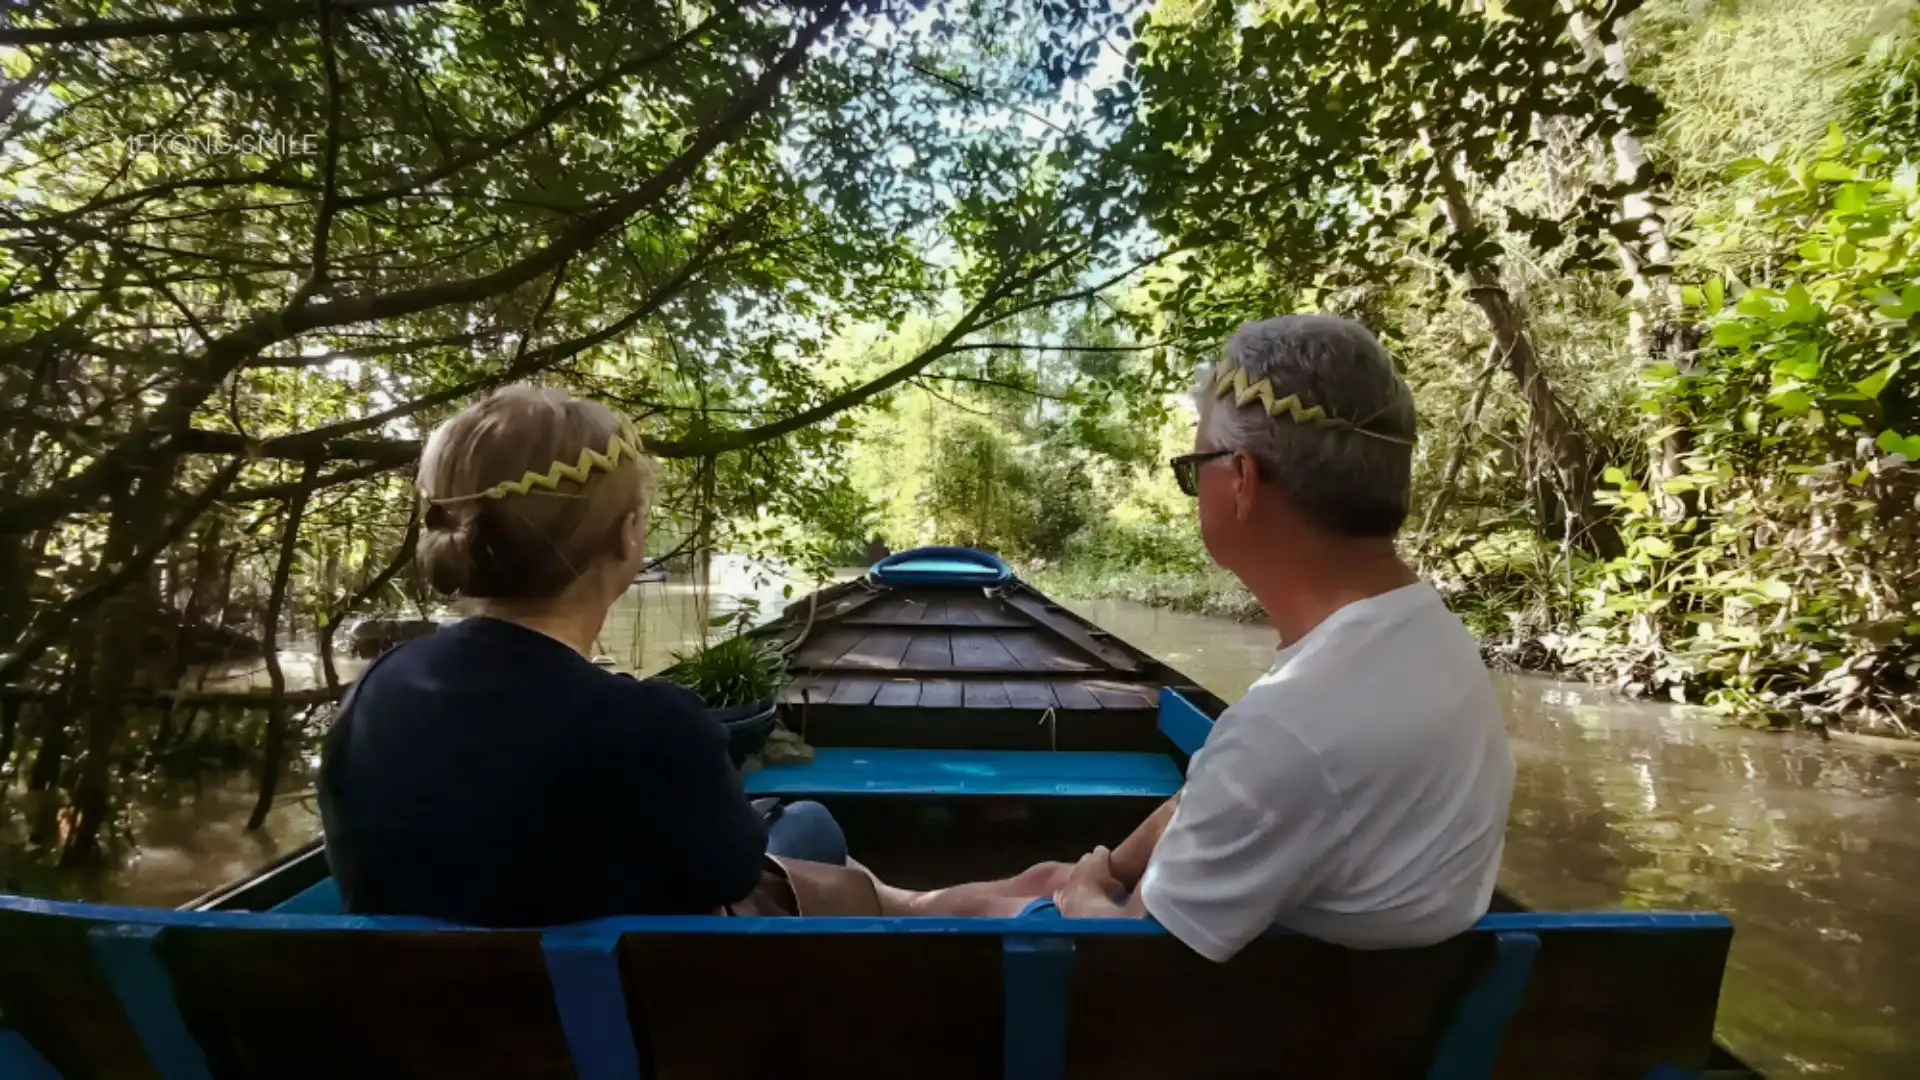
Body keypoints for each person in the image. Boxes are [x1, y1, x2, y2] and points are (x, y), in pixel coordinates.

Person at [872, 315, 1515, 962]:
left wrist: (1092, 886)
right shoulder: (1431, 638)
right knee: (1041, 878)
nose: (1193, 487)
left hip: (1206, 1032)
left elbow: (1127, 958)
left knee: (1011, 897)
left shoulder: (1291, 727)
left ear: (1240, 479)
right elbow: (1211, 785)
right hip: (1357, 1008)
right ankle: (873, 894)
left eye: (1193, 466)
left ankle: (833, 893)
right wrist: (1113, 865)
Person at [318, 385, 847, 926]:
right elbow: (732, 875)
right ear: (628, 536)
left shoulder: (374, 694)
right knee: (808, 825)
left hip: (414, 1006)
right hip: (606, 1009)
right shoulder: (656, 727)